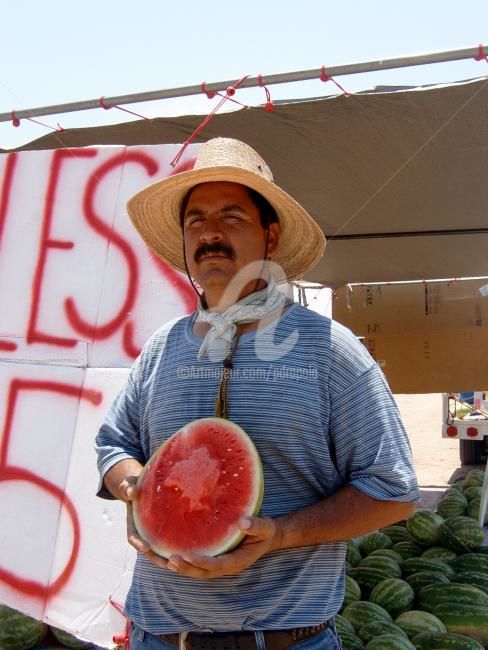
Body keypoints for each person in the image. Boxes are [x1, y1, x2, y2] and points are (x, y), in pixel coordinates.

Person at [96, 138, 419, 650]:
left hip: (285, 639)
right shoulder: (161, 348)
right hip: (158, 636)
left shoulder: (330, 351)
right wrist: (139, 490)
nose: (211, 233)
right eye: (196, 220)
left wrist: (283, 533)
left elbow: (393, 492)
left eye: (232, 216)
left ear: (270, 237)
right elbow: (113, 445)